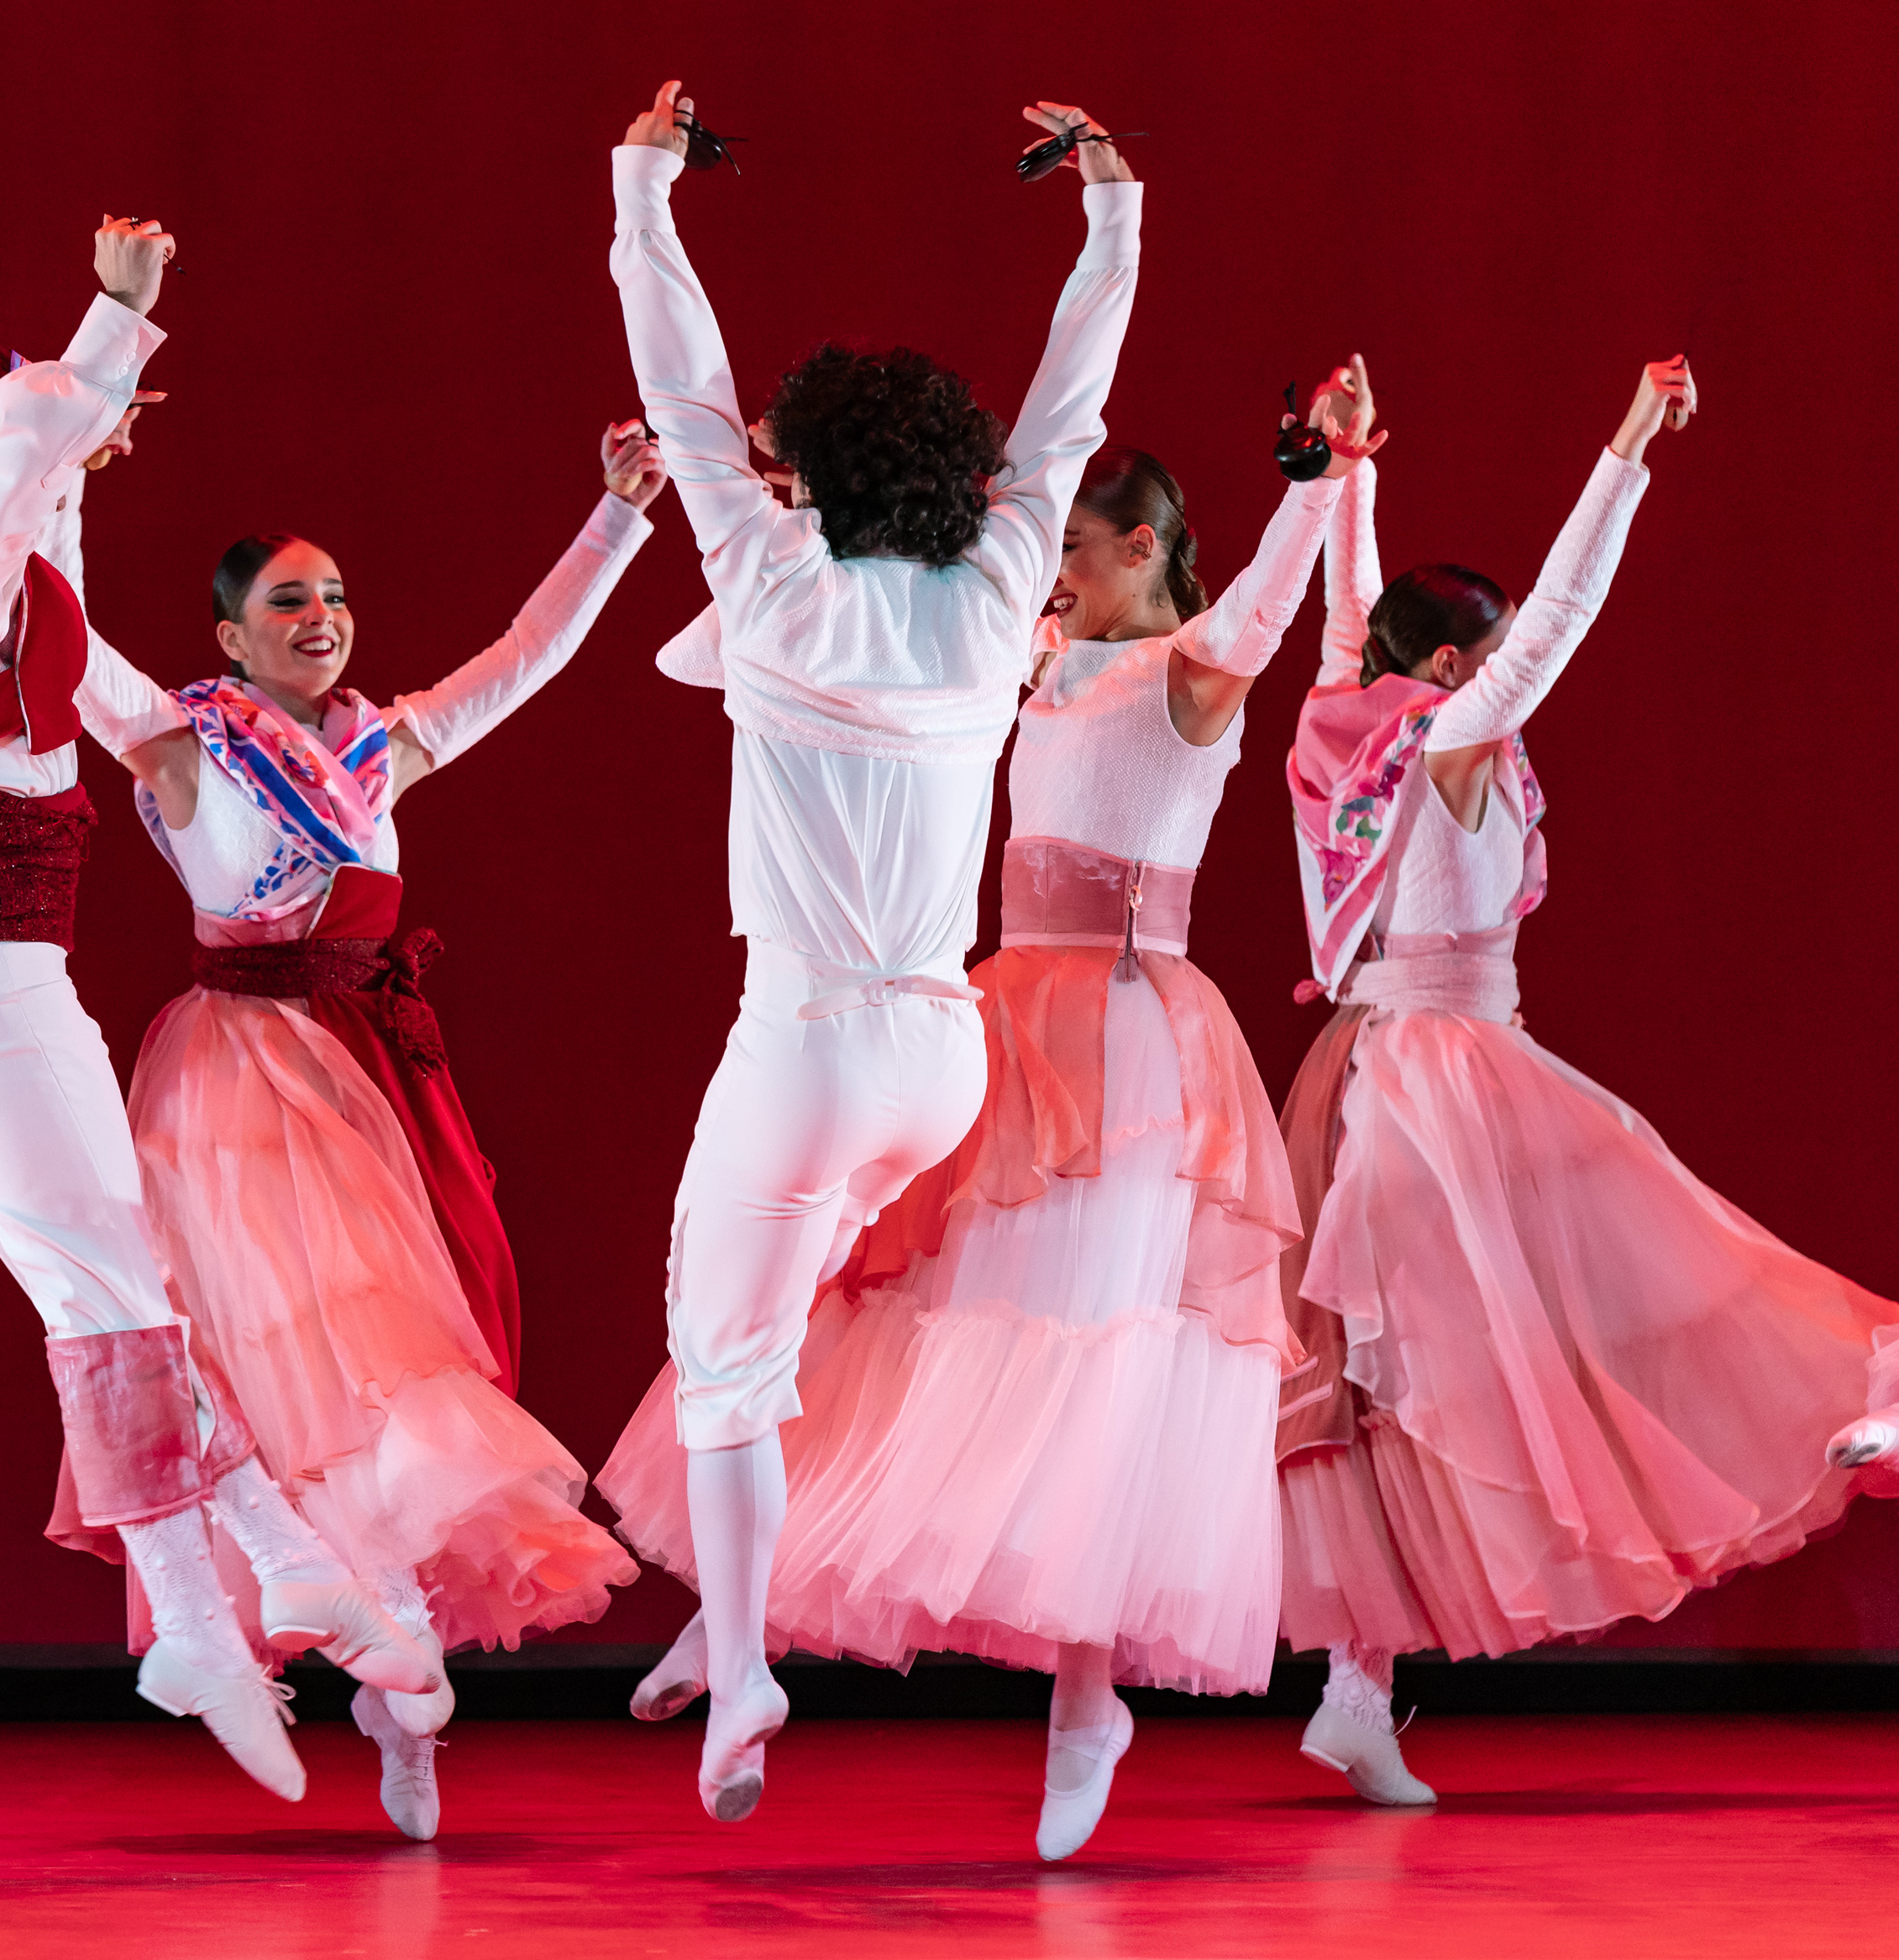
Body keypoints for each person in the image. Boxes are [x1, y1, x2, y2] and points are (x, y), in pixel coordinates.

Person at [603, 390, 1372, 1858]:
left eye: (1077, 549)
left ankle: (1087, 1700)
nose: (1052, 573)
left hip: (1134, 1048)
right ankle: (744, 1609)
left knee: (1094, 1371)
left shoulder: (1182, 673)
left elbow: (1266, 616)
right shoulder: (1027, 653)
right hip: (990, 1017)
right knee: (860, 1301)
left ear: (1145, 550)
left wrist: (1321, 485)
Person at [0, 217, 432, 1804]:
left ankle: (261, 1568)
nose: (81, 467)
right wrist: (116, 317)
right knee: (111, 1299)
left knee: (109, 1285)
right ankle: (210, 1611)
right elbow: (14, 475)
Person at [604, 83, 1141, 1820]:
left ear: (809, 469)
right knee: (802, 1319)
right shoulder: (1001, 591)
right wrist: (1112, 214)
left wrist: (642, 189)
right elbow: (1069, 416)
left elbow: (678, 391)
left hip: (811, 1040)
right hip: (942, 1055)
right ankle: (754, 1633)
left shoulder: (767, 583)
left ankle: (744, 1655)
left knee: (722, 1363)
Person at [1274, 355, 1899, 1804]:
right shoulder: (1447, 744)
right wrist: (1627, 439)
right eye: (1487, 665)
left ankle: (1356, 1689)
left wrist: (1353, 476)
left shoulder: (1343, 732)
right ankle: (1848, 1388)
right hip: (1452, 1078)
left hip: (1376, 1072)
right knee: (1638, 1266)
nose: (1516, 688)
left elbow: (1344, 622)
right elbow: (1560, 609)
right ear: (1451, 671)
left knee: (1395, 1388)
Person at [102, 421, 663, 1838]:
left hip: (363, 1079)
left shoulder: (373, 748)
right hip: (236, 1089)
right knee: (299, 1367)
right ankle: (367, 1636)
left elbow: (522, 659)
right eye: (287, 600)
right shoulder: (186, 750)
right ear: (228, 634)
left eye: (334, 594)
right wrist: (54, 466)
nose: (321, 618)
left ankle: (400, 1676)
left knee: (394, 1361)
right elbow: (63, 646)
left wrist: (611, 517)